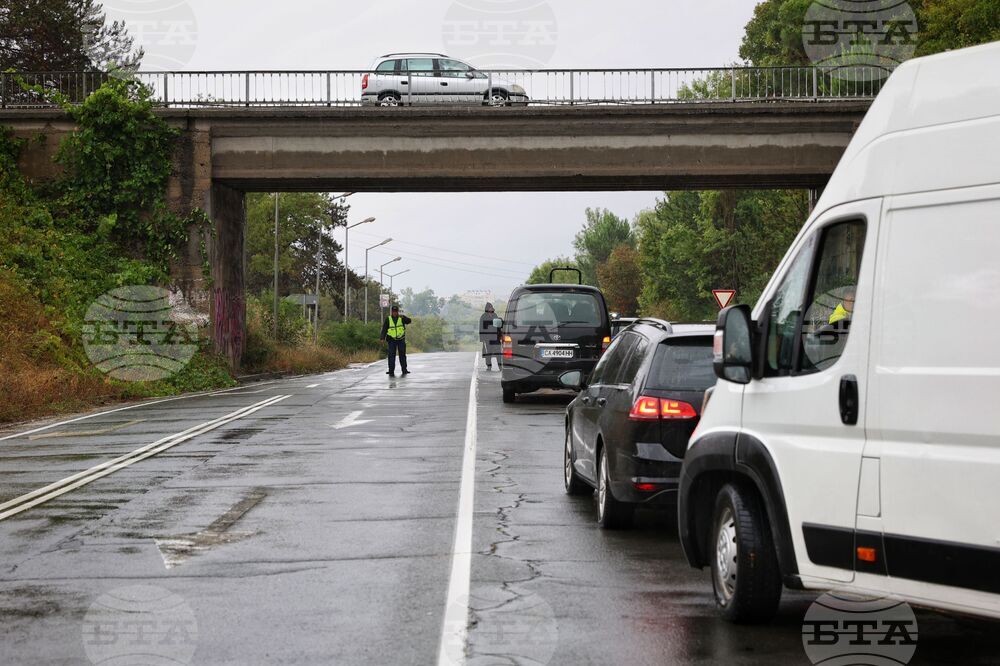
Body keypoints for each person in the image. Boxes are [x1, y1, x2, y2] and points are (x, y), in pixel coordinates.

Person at [380, 305, 412, 377]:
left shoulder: (401, 318)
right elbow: (384, 329)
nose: (395, 313)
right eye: (393, 311)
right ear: (391, 312)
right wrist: (382, 338)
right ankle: (391, 371)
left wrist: (404, 317)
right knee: (391, 356)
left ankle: (404, 370)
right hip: (391, 340)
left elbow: (409, 321)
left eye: (396, 311)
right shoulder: (388, 319)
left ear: (398, 312)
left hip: (401, 339)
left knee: (402, 355)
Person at [479, 303, 502, 370]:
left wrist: (500, 336)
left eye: (491, 307)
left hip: (495, 337)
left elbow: (498, 326)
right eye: (490, 307)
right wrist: (482, 339)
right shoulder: (483, 317)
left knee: (498, 352)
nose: (491, 308)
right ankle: (489, 366)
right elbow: (481, 328)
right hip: (487, 338)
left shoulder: (495, 315)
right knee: (488, 353)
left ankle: (500, 366)